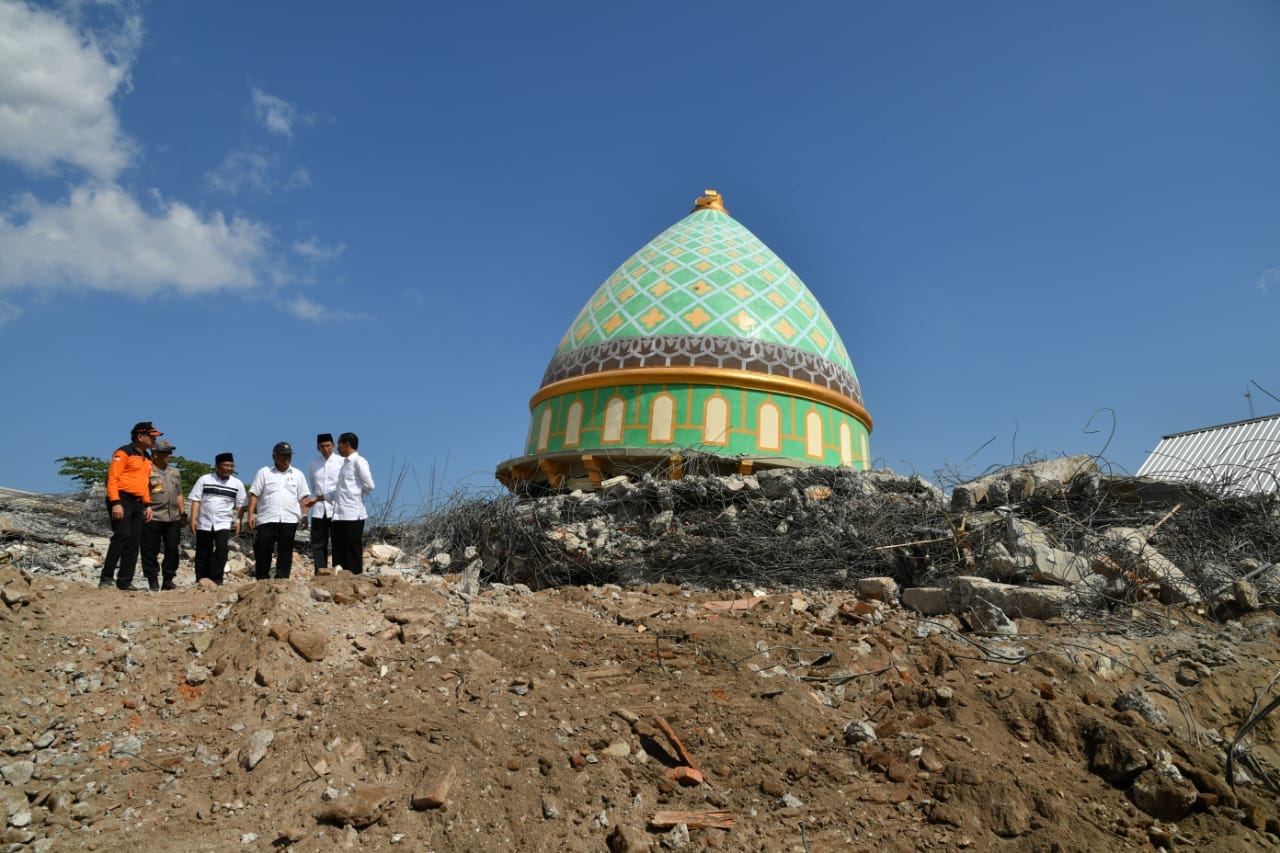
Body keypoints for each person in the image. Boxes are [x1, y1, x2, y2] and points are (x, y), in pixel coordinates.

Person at [99, 421, 162, 590]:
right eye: (152, 436)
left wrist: (148, 505)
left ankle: (125, 581)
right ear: (140, 436)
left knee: (134, 541)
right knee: (122, 536)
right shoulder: (123, 452)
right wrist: (116, 503)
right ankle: (106, 578)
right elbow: (112, 478)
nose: (154, 440)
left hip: (138, 502)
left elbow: (145, 483)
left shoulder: (147, 458)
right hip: (121, 498)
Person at [247, 442, 311, 580]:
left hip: (289, 518)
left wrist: (305, 515)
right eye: (283, 455)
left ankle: (282, 579)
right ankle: (262, 579)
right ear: (274, 456)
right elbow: (254, 494)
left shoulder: (298, 474)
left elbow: (304, 498)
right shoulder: (264, 472)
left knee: (286, 550)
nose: (286, 458)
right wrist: (251, 514)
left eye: (288, 455)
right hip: (267, 518)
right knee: (263, 548)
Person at [188, 452, 246, 585]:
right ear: (217, 466)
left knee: (221, 550)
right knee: (203, 551)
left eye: (231, 466)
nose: (229, 468)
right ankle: (201, 579)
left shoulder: (237, 484)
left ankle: (216, 578)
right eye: (226, 465)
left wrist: (238, 521)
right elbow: (196, 500)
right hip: (204, 522)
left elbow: (241, 505)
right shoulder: (204, 479)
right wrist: (193, 519)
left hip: (223, 523)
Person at [323, 432, 375, 575]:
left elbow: (369, 485)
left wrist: (355, 494)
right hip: (339, 514)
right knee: (338, 548)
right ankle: (340, 578)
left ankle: (354, 577)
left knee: (352, 548)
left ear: (347, 444)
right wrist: (318, 498)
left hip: (353, 513)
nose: (337, 448)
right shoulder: (344, 464)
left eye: (339, 444)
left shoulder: (359, 461)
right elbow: (340, 490)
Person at [141, 439, 185, 591]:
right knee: (150, 550)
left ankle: (168, 579)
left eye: (170, 453)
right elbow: (143, 492)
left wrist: (183, 513)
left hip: (173, 517)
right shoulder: (147, 470)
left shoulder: (175, 472)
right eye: (165, 453)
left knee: (172, 548)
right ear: (155, 454)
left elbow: (179, 494)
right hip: (153, 516)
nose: (168, 456)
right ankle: (152, 579)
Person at [306, 433, 343, 572]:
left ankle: (338, 572)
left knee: (337, 542)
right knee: (318, 543)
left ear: (333, 446)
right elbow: (313, 486)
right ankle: (320, 571)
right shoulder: (313, 464)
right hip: (319, 509)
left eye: (328, 446)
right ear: (318, 448)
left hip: (336, 508)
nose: (325, 449)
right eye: (322, 446)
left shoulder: (341, 462)